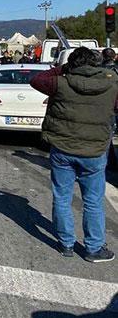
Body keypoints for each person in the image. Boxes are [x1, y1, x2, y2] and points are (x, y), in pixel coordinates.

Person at [30, 47, 116, 262]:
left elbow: (37, 79)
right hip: (94, 150)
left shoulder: (60, 82)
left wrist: (63, 68)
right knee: (93, 201)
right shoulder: (112, 83)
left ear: (71, 64)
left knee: (62, 197)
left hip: (63, 148)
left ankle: (66, 243)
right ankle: (94, 248)